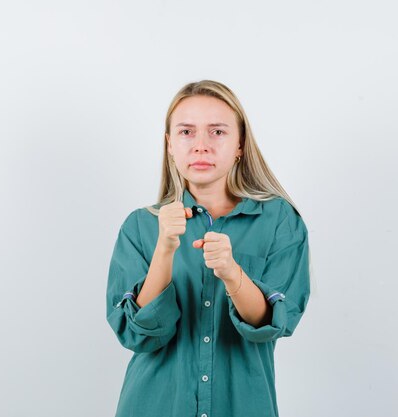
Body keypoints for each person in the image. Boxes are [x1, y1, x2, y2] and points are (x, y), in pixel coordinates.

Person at [106, 80, 311, 417]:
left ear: (240, 145)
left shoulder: (280, 221)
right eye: (187, 132)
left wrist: (233, 273)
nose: (201, 146)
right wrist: (165, 249)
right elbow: (137, 335)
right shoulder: (140, 226)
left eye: (217, 132)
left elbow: (273, 324)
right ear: (170, 145)